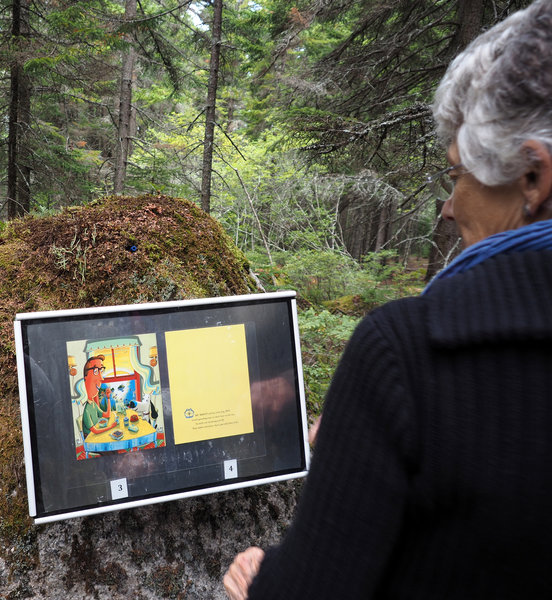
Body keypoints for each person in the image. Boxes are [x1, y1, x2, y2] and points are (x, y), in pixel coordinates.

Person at [224, 1, 552, 597]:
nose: (449, 208)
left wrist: (262, 581)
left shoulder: (410, 353)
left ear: (534, 176)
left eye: (457, 176)